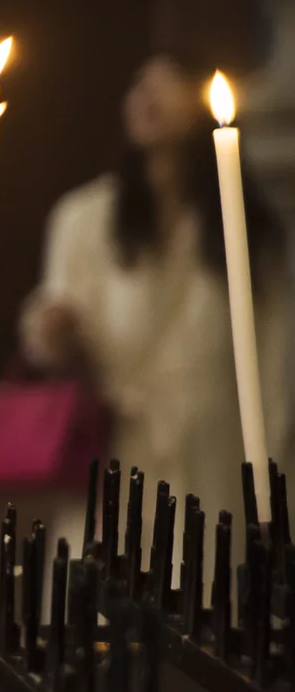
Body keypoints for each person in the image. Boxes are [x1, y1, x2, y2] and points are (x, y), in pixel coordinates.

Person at [20, 54, 288, 536]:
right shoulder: (84, 217)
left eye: (169, 83)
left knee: (204, 588)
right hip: (114, 451)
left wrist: (272, 468)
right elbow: (50, 328)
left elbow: (272, 354)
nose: (149, 95)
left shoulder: (242, 226)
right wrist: (51, 330)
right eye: (140, 84)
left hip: (211, 456)